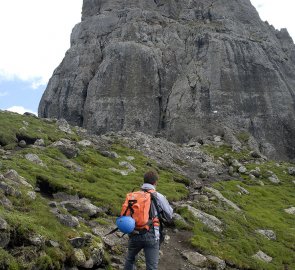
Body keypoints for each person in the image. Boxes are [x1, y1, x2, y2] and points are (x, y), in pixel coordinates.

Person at [123, 170, 173, 270]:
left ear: (144, 181)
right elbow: (169, 215)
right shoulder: (159, 196)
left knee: (130, 259)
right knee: (151, 266)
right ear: (155, 182)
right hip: (152, 234)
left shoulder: (133, 195)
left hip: (134, 232)